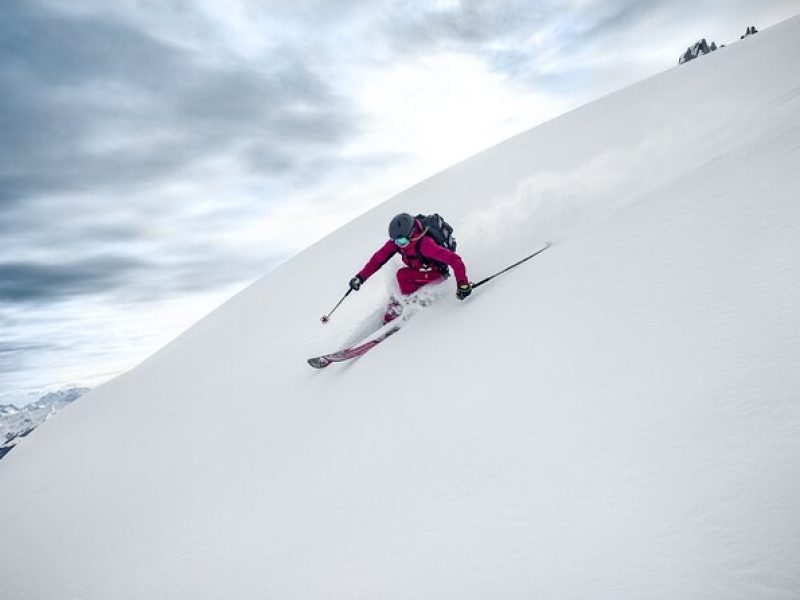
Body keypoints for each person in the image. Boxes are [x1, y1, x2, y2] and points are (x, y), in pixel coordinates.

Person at [348, 213, 472, 323]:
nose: (398, 245)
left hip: (437, 274)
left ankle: (411, 312)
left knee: (402, 275)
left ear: (412, 234)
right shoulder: (398, 243)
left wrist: (463, 284)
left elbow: (455, 259)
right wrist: (360, 277)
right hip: (421, 270)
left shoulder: (425, 244)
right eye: (395, 241)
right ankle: (393, 317)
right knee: (398, 283)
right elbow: (378, 259)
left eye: (401, 241)